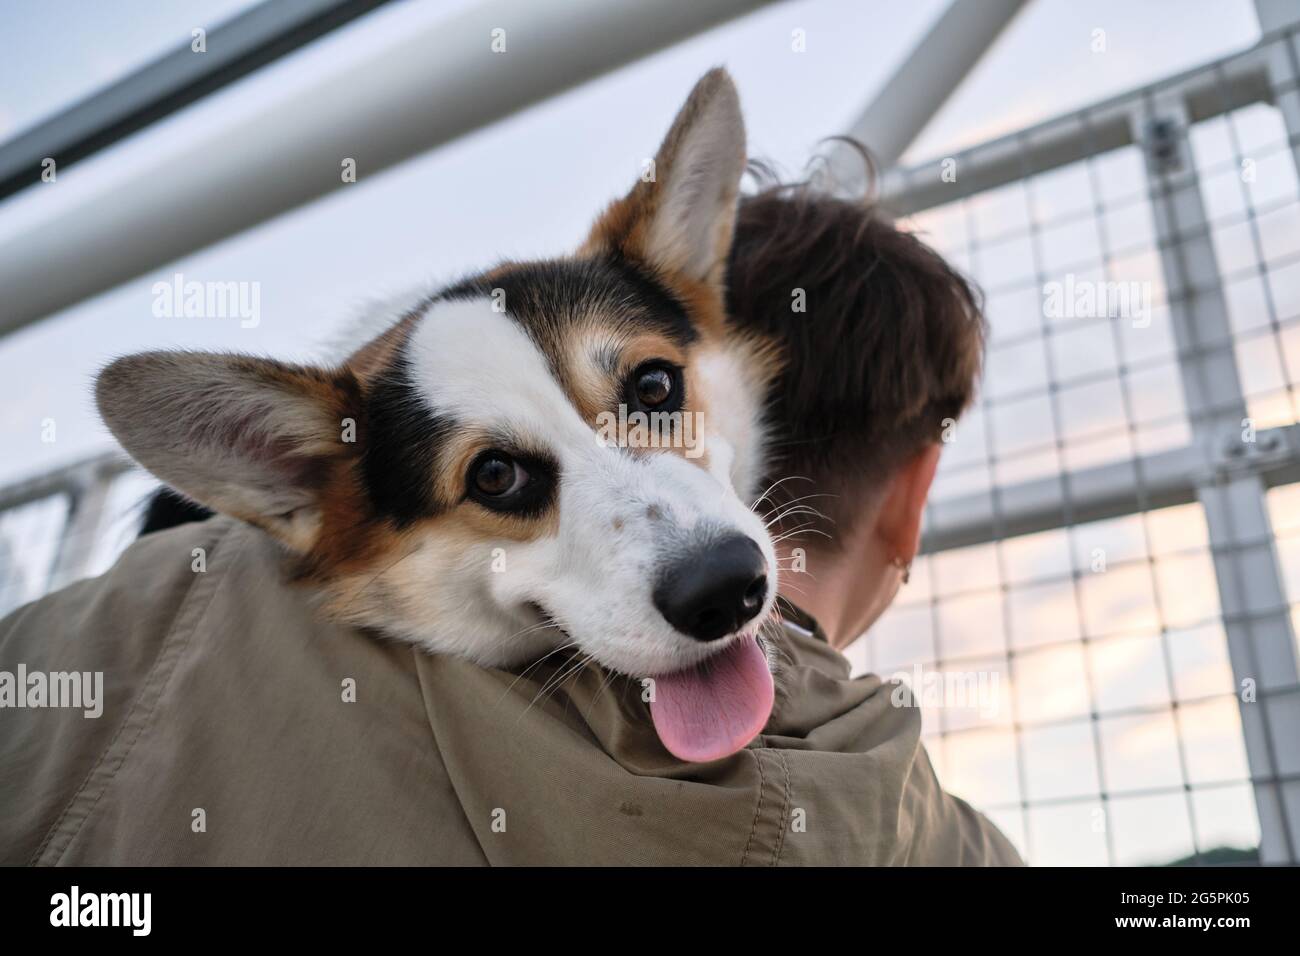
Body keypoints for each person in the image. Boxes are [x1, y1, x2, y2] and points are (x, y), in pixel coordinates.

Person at [0, 176, 1020, 866]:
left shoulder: (88, 639)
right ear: (914, 490)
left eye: (652, 391)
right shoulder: (922, 828)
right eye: (498, 475)